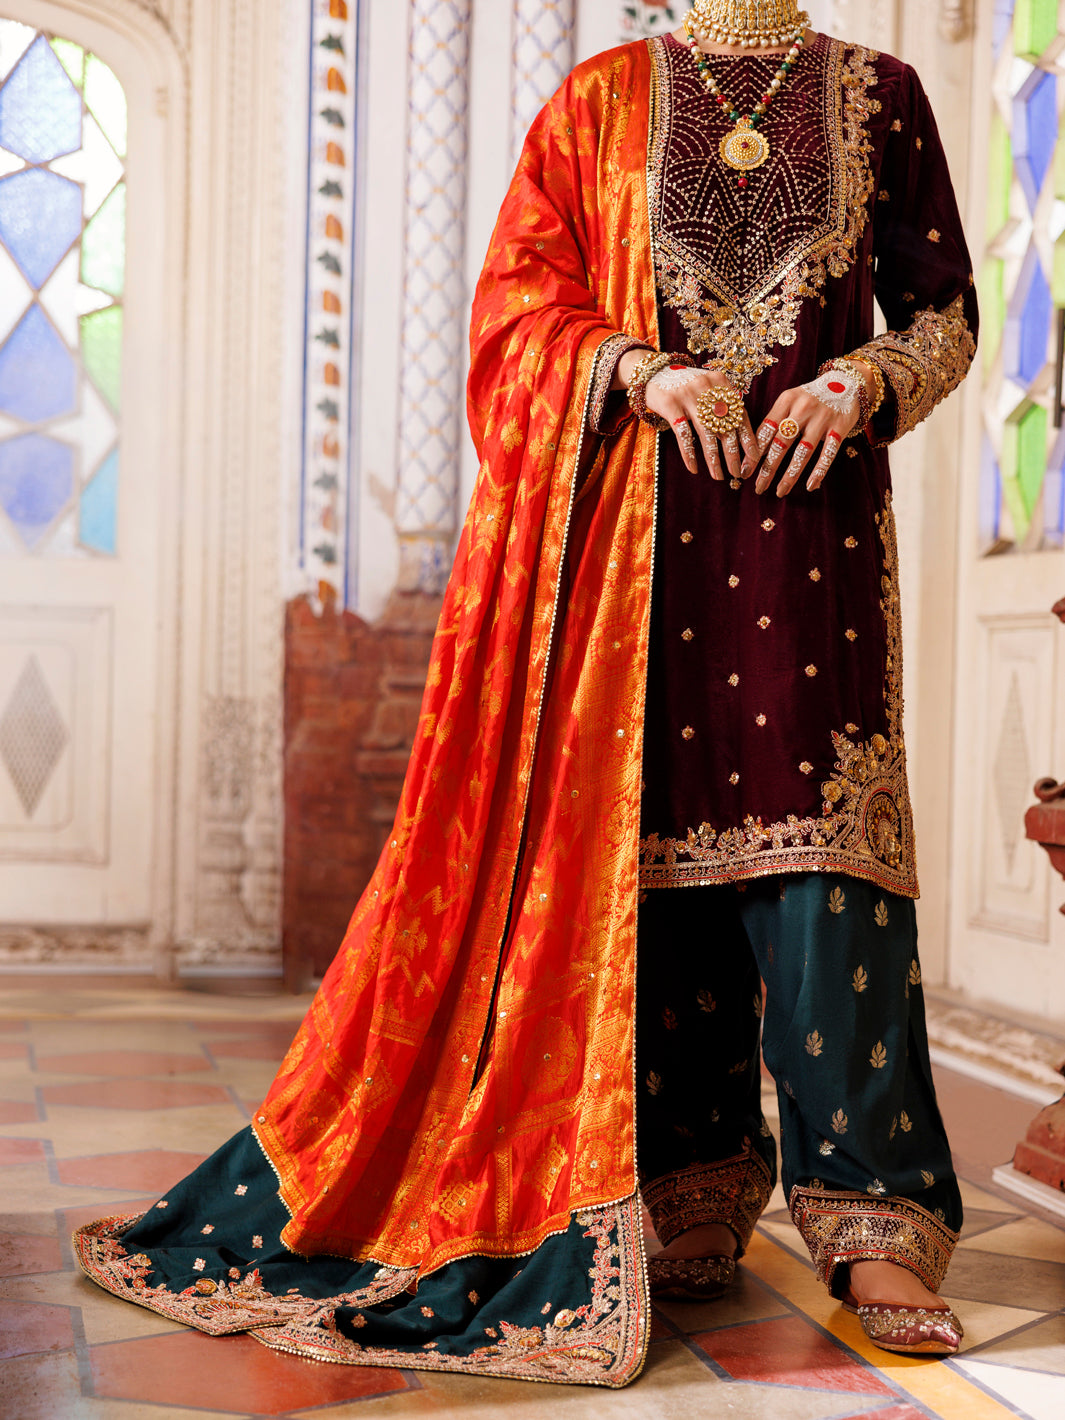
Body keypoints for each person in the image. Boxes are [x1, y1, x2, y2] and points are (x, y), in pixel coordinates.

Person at [75, 0, 976, 1387]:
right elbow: (514, 312)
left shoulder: (883, 94)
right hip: (631, 556)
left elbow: (942, 313)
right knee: (643, 863)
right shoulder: (601, 100)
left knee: (829, 864)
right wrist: (639, 372)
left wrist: (858, 384)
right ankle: (680, 1183)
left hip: (811, 546)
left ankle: (875, 1222)